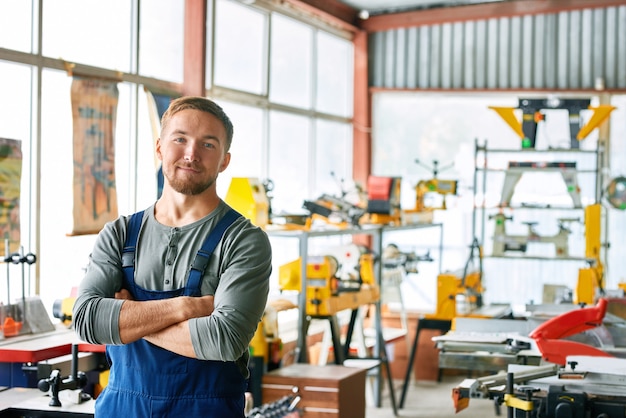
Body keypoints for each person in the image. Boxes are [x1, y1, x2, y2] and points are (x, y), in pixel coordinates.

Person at [73, 96, 272, 417]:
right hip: (122, 410)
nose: (191, 154)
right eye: (180, 139)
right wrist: (185, 308)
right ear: (160, 148)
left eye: (208, 144)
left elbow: (223, 340)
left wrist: (127, 319)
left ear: (224, 160)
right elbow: (86, 321)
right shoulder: (119, 233)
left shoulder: (244, 240)